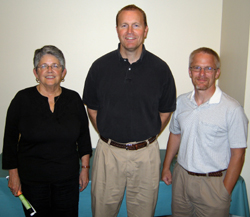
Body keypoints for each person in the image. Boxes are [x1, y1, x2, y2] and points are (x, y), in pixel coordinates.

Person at [83, 4, 176, 217]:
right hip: (108, 154)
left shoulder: (160, 69)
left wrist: (143, 136)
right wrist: (111, 135)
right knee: (102, 212)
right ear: (117, 29)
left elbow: (165, 112)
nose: (130, 31)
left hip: (147, 156)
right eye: (124, 25)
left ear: (145, 30)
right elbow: (93, 109)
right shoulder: (99, 67)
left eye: (136, 25)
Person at [2, 45, 92, 217]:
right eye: (43, 66)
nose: (50, 70)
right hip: (32, 181)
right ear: (36, 73)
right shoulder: (22, 99)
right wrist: (13, 175)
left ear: (63, 72)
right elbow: (10, 140)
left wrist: (85, 168)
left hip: (67, 180)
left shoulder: (73, 99)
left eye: (55, 65)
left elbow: (84, 137)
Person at [162, 47, 248, 217]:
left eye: (208, 68)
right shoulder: (181, 102)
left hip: (214, 185)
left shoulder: (232, 109)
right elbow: (175, 134)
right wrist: (166, 167)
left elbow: (238, 154)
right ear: (189, 71)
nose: (201, 74)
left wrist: (224, 192)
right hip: (182, 180)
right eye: (196, 67)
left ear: (217, 73)